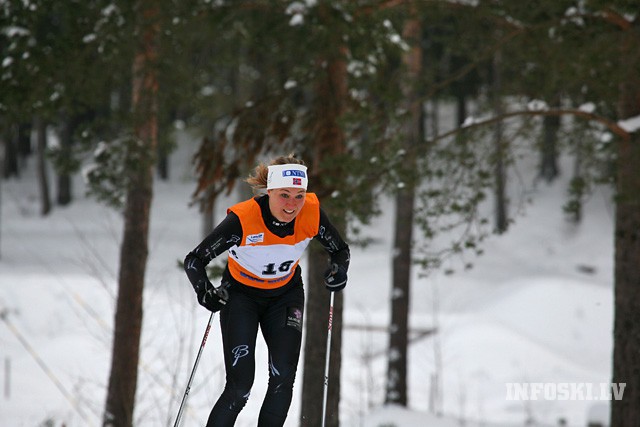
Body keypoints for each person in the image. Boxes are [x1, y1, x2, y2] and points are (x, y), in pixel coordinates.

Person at [183, 154, 350, 426]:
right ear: (269, 191)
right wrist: (205, 293)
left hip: (285, 295)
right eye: (284, 195)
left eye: (299, 196)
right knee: (240, 387)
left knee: (283, 378)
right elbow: (194, 260)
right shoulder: (243, 219)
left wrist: (339, 271)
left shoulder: (312, 214)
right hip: (241, 296)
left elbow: (340, 250)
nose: (292, 204)